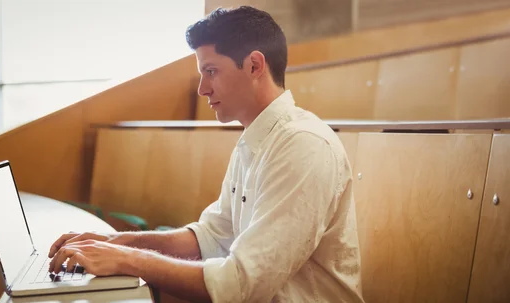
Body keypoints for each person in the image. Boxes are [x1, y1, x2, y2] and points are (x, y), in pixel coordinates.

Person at [48, 6, 364, 303]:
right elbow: (211, 235)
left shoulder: (302, 145)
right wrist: (117, 242)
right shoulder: (255, 139)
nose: (202, 88)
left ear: (254, 65)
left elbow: (240, 283)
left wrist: (127, 260)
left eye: (211, 71)